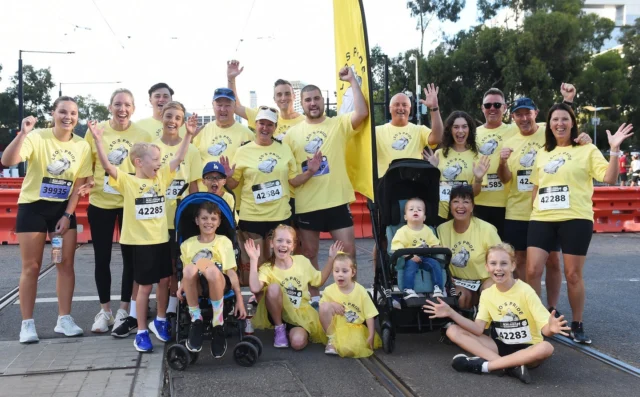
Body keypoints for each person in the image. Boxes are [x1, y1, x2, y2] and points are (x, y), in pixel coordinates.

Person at [87, 109, 196, 352]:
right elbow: (106, 165)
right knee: (144, 286)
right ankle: (142, 331)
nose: (160, 163)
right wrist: (97, 140)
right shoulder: (128, 180)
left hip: (160, 239)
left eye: (160, 160)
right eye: (155, 160)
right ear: (139, 162)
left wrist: (188, 135)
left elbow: (177, 159)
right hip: (138, 243)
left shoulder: (160, 179)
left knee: (164, 281)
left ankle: (159, 321)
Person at [526, 104, 633, 344]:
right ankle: (538, 320)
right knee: (532, 270)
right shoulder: (543, 152)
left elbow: (609, 177)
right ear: (549, 124)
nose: (560, 123)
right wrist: (533, 214)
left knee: (573, 274)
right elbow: (536, 186)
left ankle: (577, 323)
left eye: (565, 119)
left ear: (573, 123)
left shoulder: (586, 148)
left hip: (575, 218)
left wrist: (614, 150)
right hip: (542, 218)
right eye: (555, 119)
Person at [1, 98, 92, 343]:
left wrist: (67, 215)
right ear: (53, 113)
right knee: (31, 266)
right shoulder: (37, 137)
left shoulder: (82, 146)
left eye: (73, 113)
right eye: (62, 111)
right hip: (33, 207)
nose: (68, 117)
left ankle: (64, 319)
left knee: (65, 264)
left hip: (62, 211)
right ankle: (27, 324)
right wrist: (22, 133)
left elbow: (79, 185)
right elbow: (8, 161)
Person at [424, 243, 570, 384]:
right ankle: (511, 366)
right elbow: (478, 329)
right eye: (493, 263)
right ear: (487, 267)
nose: (498, 268)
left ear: (513, 265)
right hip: (499, 346)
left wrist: (551, 329)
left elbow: (545, 329)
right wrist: (450, 312)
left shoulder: (526, 291)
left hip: (527, 348)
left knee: (546, 348)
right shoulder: (487, 294)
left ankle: (486, 366)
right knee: (452, 330)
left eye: (504, 264)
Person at [283, 67, 368, 305]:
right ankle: (314, 299)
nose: (313, 103)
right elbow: (287, 170)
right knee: (309, 254)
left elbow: (361, 112)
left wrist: (352, 80)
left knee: (348, 253)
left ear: (323, 100)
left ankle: (351, 298)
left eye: (317, 98)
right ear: (302, 104)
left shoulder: (338, 124)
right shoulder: (292, 134)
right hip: (307, 204)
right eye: (308, 100)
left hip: (337, 201)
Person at [497, 96, 590, 313]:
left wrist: (583, 135)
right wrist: (502, 162)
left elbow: (568, 126)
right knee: (522, 262)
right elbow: (504, 178)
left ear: (536, 113)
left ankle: (552, 307)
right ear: (513, 117)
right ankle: (531, 307)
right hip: (517, 210)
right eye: (518, 114)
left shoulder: (547, 131)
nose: (523, 118)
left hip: (550, 211)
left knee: (553, 261)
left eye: (527, 113)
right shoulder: (509, 141)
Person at [83, 89, 153, 335]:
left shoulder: (142, 135)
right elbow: (87, 165)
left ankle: (124, 308)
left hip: (130, 205)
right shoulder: (96, 131)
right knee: (102, 258)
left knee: (129, 259)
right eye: (118, 104)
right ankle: (105, 311)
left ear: (133, 109)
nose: (122, 109)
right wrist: (90, 179)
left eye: (127, 105)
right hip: (101, 204)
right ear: (110, 107)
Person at [220, 106, 322, 265]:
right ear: (255, 124)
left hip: (280, 216)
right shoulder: (242, 150)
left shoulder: (284, 148)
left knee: (281, 265)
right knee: (256, 266)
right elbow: (233, 185)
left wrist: (310, 172)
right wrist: (227, 177)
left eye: (270, 124)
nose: (265, 128)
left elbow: (293, 180)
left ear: (275, 127)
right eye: (262, 123)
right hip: (251, 217)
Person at [475, 84, 577, 239]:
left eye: (497, 105)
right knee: (505, 255)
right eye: (488, 105)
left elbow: (561, 123)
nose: (492, 108)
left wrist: (568, 101)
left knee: (549, 258)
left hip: (531, 206)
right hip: (495, 205)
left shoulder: (536, 130)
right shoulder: (478, 133)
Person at [245, 225, 337, 350]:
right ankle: (280, 329)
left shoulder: (302, 261)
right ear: (272, 243)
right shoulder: (267, 268)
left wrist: (331, 259)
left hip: (298, 314)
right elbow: (255, 288)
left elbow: (318, 280)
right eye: (279, 241)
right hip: (277, 314)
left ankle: (295, 332)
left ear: (293, 246)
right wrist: (253, 259)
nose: (283, 245)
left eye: (288, 242)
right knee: (273, 288)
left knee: (298, 343)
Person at [177, 201, 246, 357]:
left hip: (219, 282)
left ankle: (218, 321)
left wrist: (240, 299)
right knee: (190, 268)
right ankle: (196, 319)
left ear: (219, 222)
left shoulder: (224, 242)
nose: (209, 222)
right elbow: (187, 273)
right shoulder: (187, 244)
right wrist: (182, 286)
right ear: (197, 221)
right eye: (204, 218)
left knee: (209, 268)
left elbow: (231, 272)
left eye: (213, 219)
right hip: (197, 284)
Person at [153, 101, 201, 317]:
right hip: (156, 219)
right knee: (161, 267)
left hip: (180, 217)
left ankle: (173, 306)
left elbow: (193, 186)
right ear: (161, 117)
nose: (172, 121)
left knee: (177, 264)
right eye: (169, 116)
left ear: (182, 122)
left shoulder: (191, 150)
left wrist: (194, 218)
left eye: (177, 118)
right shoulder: (151, 147)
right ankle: (159, 310)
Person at [436, 186, 501, 310]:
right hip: (458, 282)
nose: (460, 206)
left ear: (472, 207)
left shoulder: (487, 229)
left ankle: (487, 325)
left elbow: (501, 259)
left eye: (466, 202)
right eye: (456, 201)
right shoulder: (441, 230)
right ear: (450, 206)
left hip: (485, 280)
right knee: (459, 297)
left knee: (490, 291)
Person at [423, 111, 490, 226]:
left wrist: (478, 179)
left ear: (470, 130)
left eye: (464, 127)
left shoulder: (478, 157)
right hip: (440, 214)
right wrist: (432, 170)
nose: (460, 131)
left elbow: (475, 193)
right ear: (450, 130)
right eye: (456, 127)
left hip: (463, 213)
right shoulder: (439, 154)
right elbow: (430, 188)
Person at [319, 252, 381, 357]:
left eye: (345, 271)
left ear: (353, 273)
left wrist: (371, 335)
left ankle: (342, 343)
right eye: (336, 271)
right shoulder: (329, 290)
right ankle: (332, 340)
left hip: (354, 328)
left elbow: (370, 315)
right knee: (325, 306)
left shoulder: (361, 291)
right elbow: (322, 309)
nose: (340, 274)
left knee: (348, 349)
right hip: (335, 327)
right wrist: (332, 304)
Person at [226, 60, 305, 141]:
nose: (283, 98)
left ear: (294, 96)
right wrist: (231, 79)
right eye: (279, 95)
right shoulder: (265, 116)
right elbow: (236, 107)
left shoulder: (305, 121)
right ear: (274, 99)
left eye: (287, 94)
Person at [375, 87, 443, 176]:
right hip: (385, 185)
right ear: (390, 108)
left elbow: (437, 138)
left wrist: (434, 108)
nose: (401, 108)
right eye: (397, 104)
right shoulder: (376, 131)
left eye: (404, 105)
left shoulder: (419, 130)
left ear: (410, 109)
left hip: (413, 184)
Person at [390, 198, 445, 299]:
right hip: (408, 258)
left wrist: (441, 248)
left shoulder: (428, 230)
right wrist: (410, 256)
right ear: (405, 217)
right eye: (411, 209)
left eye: (419, 210)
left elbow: (434, 245)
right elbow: (397, 249)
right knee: (411, 266)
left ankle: (438, 288)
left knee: (435, 264)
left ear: (424, 217)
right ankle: (408, 289)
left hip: (425, 257)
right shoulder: (402, 231)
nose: (415, 211)